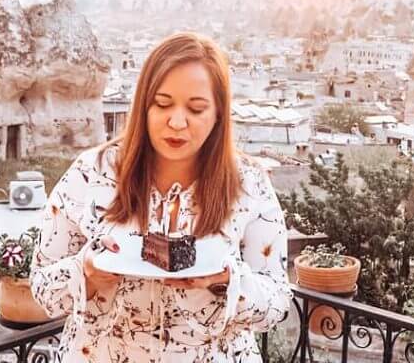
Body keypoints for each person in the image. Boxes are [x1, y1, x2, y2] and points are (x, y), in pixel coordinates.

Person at [30, 32, 292, 361]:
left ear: (219, 115)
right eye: (163, 104)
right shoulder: (91, 174)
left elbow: (278, 303)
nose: (177, 121)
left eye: (196, 109)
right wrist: (86, 273)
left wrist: (228, 282)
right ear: (143, 106)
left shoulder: (249, 185)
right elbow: (41, 289)